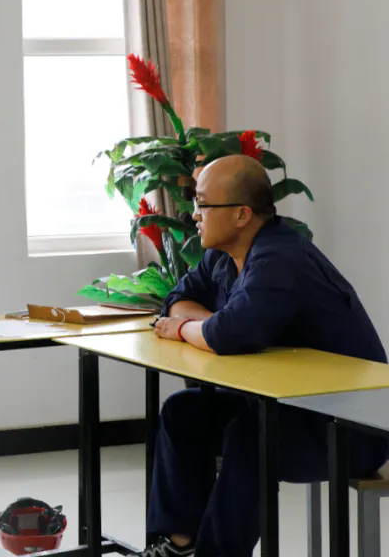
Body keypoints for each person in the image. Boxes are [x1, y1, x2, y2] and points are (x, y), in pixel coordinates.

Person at [143, 155, 388, 557]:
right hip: (287, 409)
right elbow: (177, 300)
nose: (194, 214)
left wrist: (189, 329)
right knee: (183, 413)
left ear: (242, 214)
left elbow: (227, 334)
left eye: (203, 204)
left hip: (350, 426)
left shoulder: (280, 258)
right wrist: (208, 326)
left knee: (250, 438)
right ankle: (179, 545)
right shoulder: (223, 254)